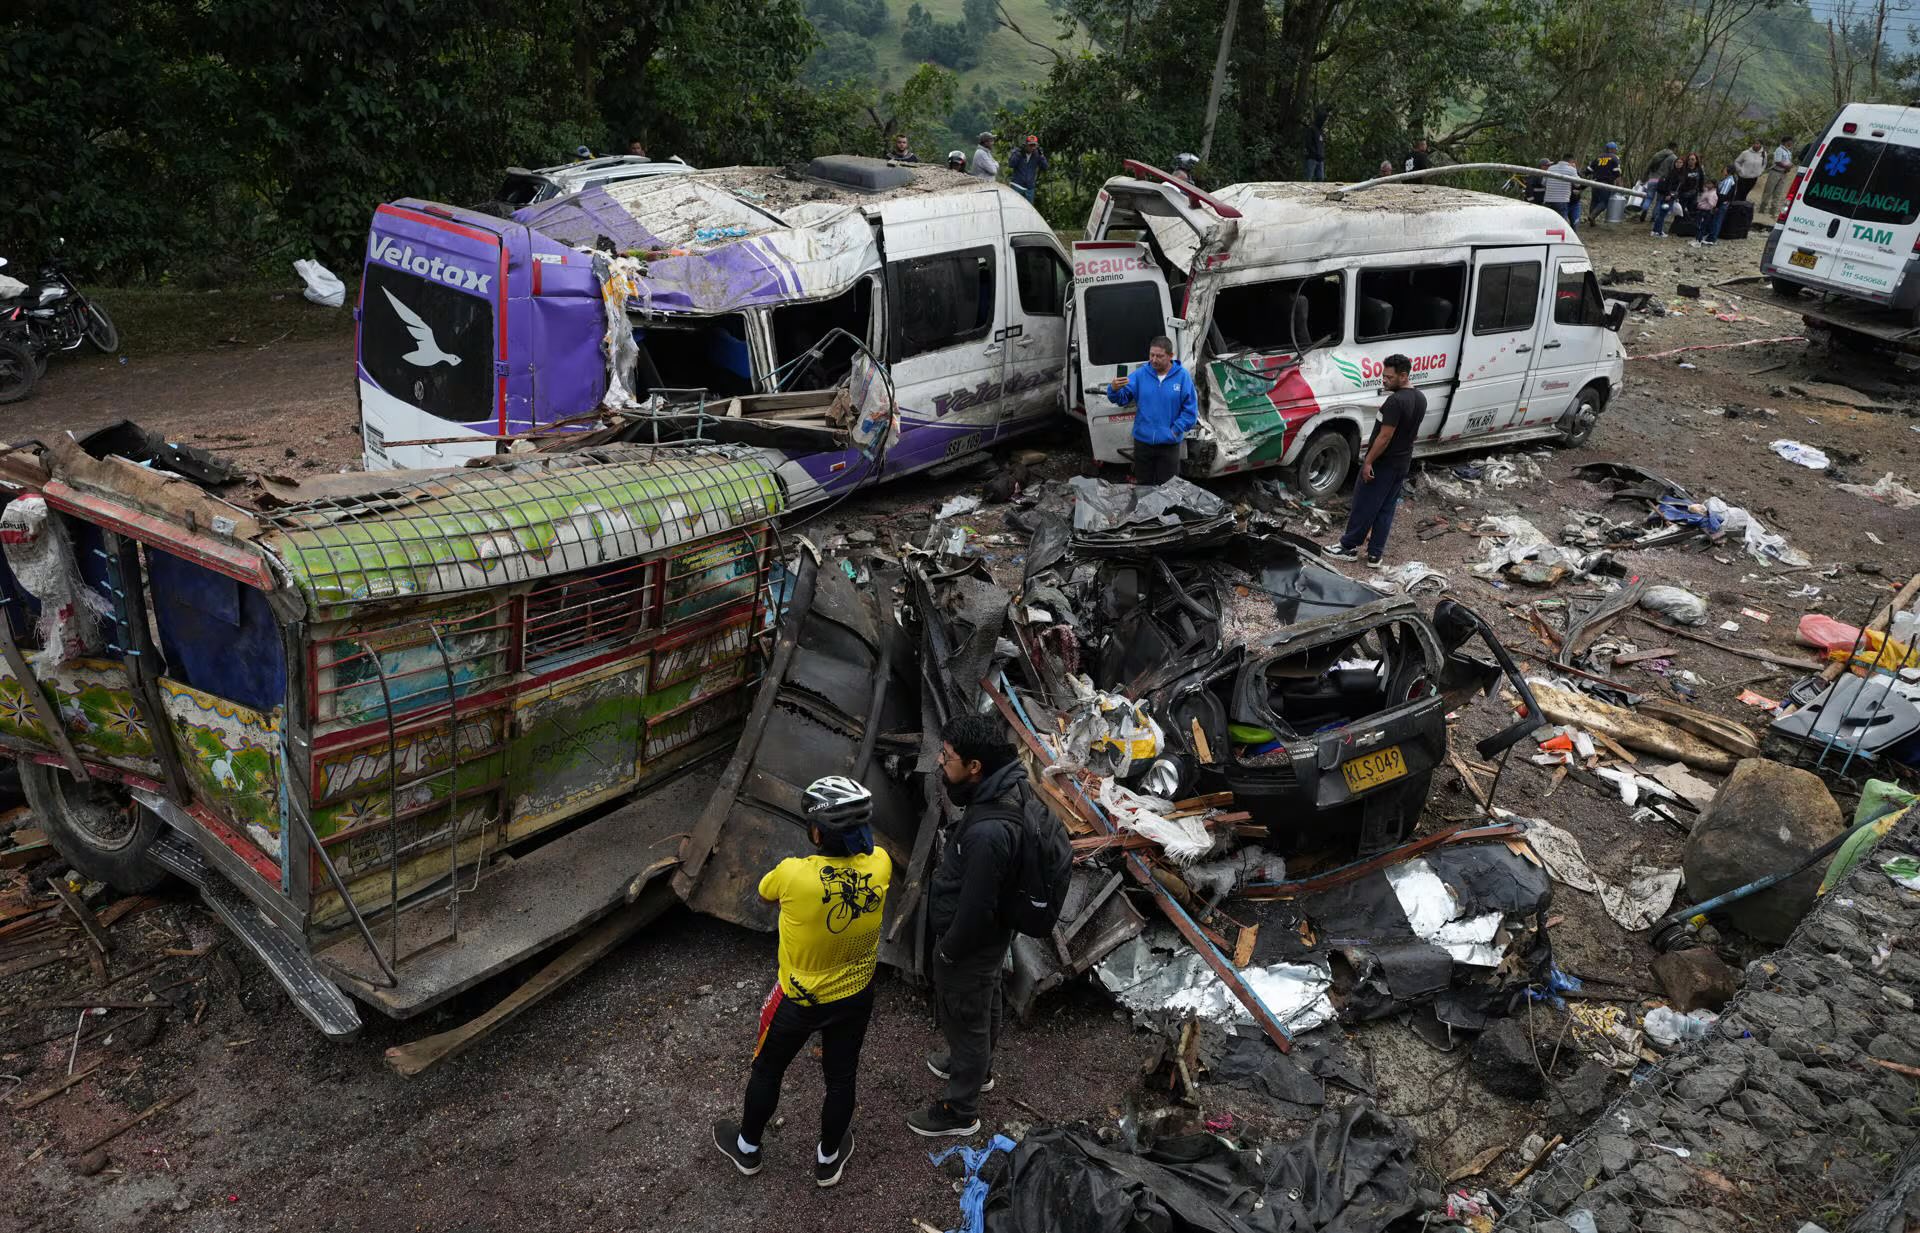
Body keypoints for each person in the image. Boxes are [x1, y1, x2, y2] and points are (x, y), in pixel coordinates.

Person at [713, 776, 891, 1188]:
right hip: (855, 994)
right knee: (841, 1078)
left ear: (815, 832)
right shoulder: (881, 864)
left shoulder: (793, 874)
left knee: (768, 1071)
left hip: (799, 999)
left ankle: (748, 1150)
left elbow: (763, 895)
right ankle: (828, 1158)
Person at [909, 713, 1039, 1138]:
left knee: (966, 1012)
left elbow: (976, 906)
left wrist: (948, 950)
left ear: (975, 766)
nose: (940, 765)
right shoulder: (1007, 784)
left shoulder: (988, 832)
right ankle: (978, 1068)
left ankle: (959, 1109)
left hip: (971, 939)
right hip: (994, 931)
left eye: (947, 758)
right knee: (987, 998)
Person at [1324, 354, 1426, 566]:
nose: (1384, 380)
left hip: (1383, 463)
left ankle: (1348, 547)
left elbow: (1385, 436)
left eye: (1389, 377)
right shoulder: (1420, 398)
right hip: (1403, 461)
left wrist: (1368, 461)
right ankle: (1374, 555)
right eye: (1384, 375)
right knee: (1386, 508)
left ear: (1403, 376)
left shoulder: (1395, 402)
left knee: (1364, 505)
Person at [1102, 335, 1198, 487]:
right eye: (1151, 355)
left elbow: (1190, 411)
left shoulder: (1182, 377)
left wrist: (1174, 431)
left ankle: (1167, 512)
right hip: (1143, 443)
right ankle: (1145, 511)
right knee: (1143, 486)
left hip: (1169, 445)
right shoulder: (1140, 374)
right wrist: (1113, 389)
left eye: (1159, 356)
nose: (1153, 359)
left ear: (1170, 356)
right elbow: (1122, 399)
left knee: (1169, 488)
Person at [1650, 152, 1696, 238]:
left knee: (1663, 213)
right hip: (1668, 195)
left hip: (1672, 195)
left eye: (1680, 162)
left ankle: (1656, 230)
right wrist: (1668, 194)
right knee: (1662, 213)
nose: (1678, 164)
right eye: (1677, 162)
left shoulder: (1681, 174)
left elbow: (1680, 187)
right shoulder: (1672, 173)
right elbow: (1669, 184)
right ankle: (1657, 231)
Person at [1695, 162, 1736, 246]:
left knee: (1717, 221)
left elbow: (1722, 195)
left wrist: (1716, 205)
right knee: (1715, 220)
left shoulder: (1729, 181)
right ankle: (1709, 236)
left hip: (1722, 204)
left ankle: (1712, 238)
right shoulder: (1727, 179)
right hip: (1722, 203)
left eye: (1725, 169)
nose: (1723, 171)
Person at [1639, 139, 1678, 220]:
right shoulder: (1673, 157)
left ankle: (1644, 210)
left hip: (1652, 179)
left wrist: (1644, 178)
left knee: (1649, 197)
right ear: (1674, 148)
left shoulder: (1657, 154)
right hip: (1662, 182)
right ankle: (1653, 217)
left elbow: (1648, 166)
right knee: (1659, 200)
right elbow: (1672, 171)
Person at [1585, 142, 1623, 221]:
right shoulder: (1615, 158)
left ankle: (1592, 220)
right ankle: (1592, 216)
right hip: (1606, 184)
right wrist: (1619, 187)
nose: (1615, 151)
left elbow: (1588, 170)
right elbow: (1617, 174)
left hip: (1595, 183)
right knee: (1604, 202)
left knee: (1594, 201)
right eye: (1615, 149)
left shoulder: (1598, 157)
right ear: (1611, 149)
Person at [1761, 136, 1795, 219]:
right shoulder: (1779, 150)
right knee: (1769, 190)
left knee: (1778, 192)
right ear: (1785, 142)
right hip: (1776, 172)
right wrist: (1786, 167)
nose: (1791, 143)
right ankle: (1762, 209)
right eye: (1790, 142)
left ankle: (1773, 211)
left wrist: (1789, 167)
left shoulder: (1788, 152)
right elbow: (1777, 161)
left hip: (1783, 173)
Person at [1007, 135, 1048, 202]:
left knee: (1028, 211)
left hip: (1029, 188)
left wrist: (1042, 156)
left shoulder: (1037, 154)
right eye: (1030, 145)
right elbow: (1011, 164)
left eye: (1034, 145)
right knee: (1014, 209)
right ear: (1025, 145)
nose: (1032, 147)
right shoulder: (1018, 152)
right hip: (1017, 185)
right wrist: (1018, 153)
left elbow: (1045, 167)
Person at [1543, 152, 1579, 226]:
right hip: (1561, 201)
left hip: (1548, 200)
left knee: (1548, 223)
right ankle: (1562, 237)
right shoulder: (1571, 169)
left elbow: (1543, 183)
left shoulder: (1550, 168)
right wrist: (1575, 169)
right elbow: (1578, 184)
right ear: (1571, 161)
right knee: (1562, 224)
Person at [1303, 105, 1331, 181]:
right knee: (1308, 178)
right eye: (1325, 120)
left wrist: (1322, 155)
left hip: (1320, 159)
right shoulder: (1311, 129)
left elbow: (1321, 145)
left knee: (1320, 178)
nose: (1325, 122)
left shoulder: (1321, 131)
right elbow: (1308, 144)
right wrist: (1315, 154)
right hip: (1312, 158)